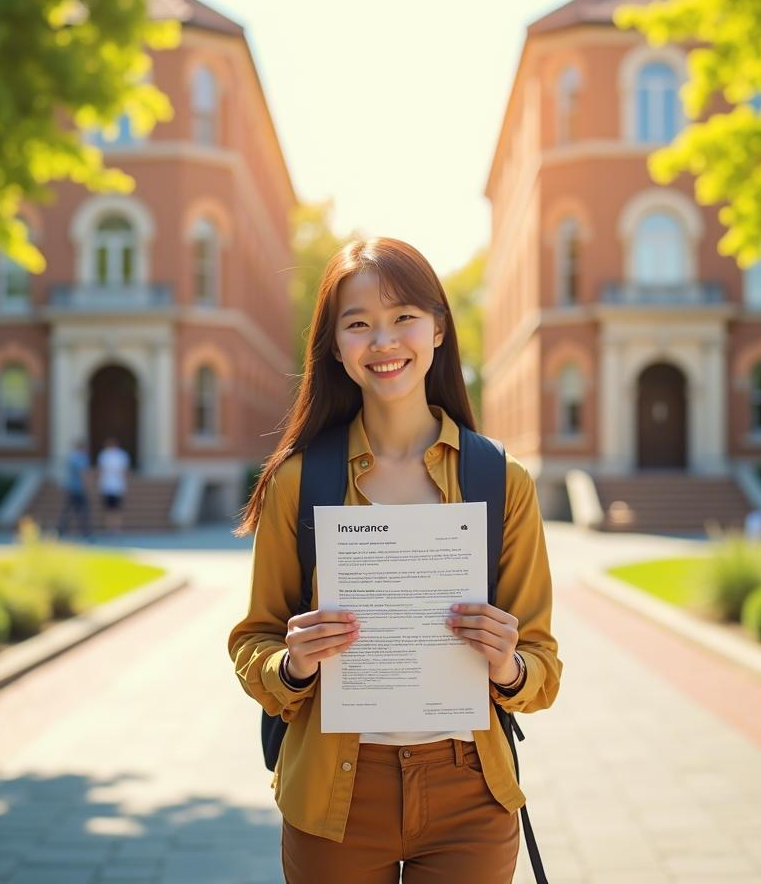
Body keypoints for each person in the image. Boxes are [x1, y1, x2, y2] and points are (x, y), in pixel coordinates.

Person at [229, 238, 561, 883]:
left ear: (438, 326)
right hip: (334, 794)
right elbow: (254, 645)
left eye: (404, 316)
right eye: (358, 324)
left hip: (469, 790)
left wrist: (508, 662)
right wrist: (292, 663)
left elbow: (543, 669)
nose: (383, 341)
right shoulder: (298, 482)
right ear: (335, 347)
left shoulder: (499, 479)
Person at [57, 438, 92, 540]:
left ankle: (61, 530)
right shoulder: (81, 458)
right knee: (83, 511)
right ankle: (85, 532)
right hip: (78, 488)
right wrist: (88, 486)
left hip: (70, 487)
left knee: (68, 510)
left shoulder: (71, 457)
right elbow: (83, 473)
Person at [96, 436, 129, 535]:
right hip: (107, 485)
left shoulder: (121, 455)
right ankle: (109, 527)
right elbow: (101, 470)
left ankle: (116, 527)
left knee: (117, 509)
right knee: (108, 509)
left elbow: (123, 471)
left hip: (117, 485)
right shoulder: (104, 455)